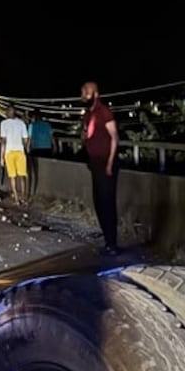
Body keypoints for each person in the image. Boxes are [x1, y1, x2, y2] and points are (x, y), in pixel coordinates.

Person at [81, 81, 118, 252]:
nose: (83, 96)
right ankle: (107, 241)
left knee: (107, 203)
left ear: (96, 94)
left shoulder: (104, 112)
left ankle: (113, 243)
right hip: (95, 163)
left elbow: (114, 137)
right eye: (82, 93)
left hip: (106, 163)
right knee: (98, 203)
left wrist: (110, 163)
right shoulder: (87, 114)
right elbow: (87, 134)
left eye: (86, 92)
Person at [0, 104, 29, 205]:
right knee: (22, 176)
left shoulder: (3, 124)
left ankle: (16, 198)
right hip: (20, 151)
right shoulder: (21, 123)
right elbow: (25, 139)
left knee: (13, 177)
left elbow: (3, 141)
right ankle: (23, 197)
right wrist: (23, 146)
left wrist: (1, 157)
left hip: (9, 152)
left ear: (7, 112)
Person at [28, 110, 54, 198]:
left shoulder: (32, 126)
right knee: (46, 167)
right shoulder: (47, 125)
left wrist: (28, 148)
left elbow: (30, 139)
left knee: (35, 170)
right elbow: (51, 137)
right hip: (47, 148)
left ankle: (35, 188)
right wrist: (55, 146)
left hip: (36, 149)